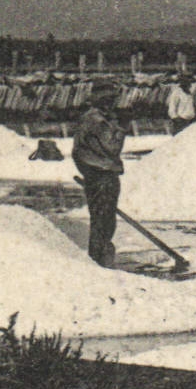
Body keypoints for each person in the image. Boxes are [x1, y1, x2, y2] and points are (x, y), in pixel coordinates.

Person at [72, 102, 130, 268]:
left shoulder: (90, 118)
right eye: (112, 98)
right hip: (101, 172)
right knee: (104, 219)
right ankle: (100, 258)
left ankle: (99, 255)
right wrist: (121, 129)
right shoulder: (98, 121)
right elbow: (112, 147)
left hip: (96, 171)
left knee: (100, 217)